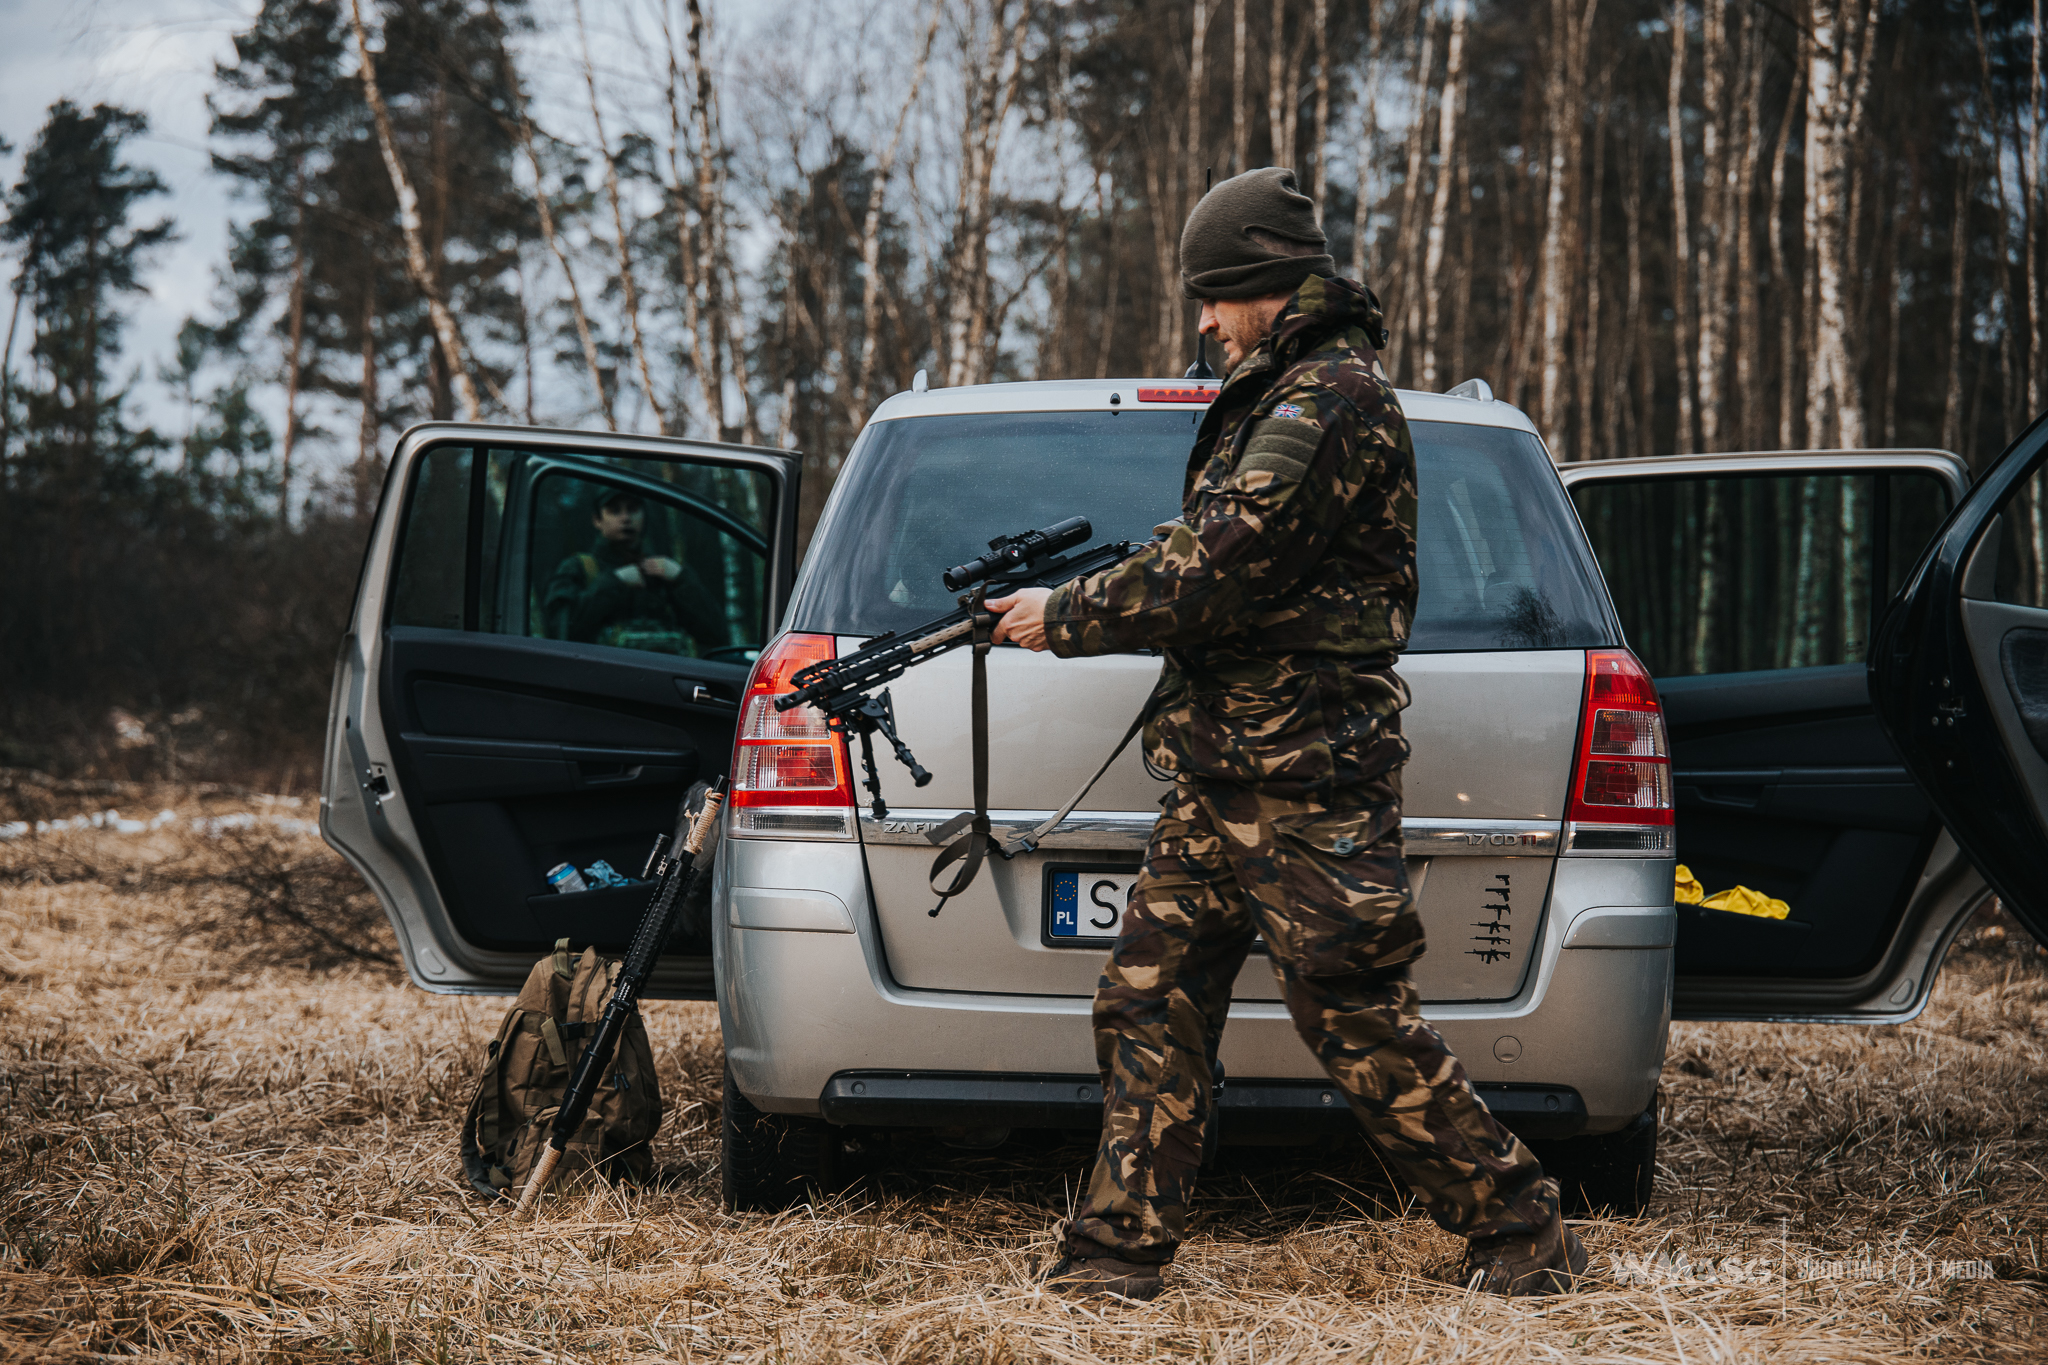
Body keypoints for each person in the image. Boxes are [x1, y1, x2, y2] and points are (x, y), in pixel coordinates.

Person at [985, 167, 1586, 1301]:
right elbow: (1218, 556)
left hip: (1304, 777)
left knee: (1353, 1013)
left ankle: (1520, 1225)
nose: (1202, 321)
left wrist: (1059, 615)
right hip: (1223, 771)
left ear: (1270, 285)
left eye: (1217, 295)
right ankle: (1112, 1262)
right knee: (1146, 1001)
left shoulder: (1326, 403)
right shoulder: (1281, 393)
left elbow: (1218, 563)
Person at [544, 487, 724, 655]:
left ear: (644, 515)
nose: (626, 518)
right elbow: (559, 632)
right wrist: (613, 583)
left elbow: (716, 635)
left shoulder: (663, 573)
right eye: (615, 511)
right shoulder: (579, 568)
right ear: (597, 520)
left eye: (633, 509)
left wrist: (681, 579)